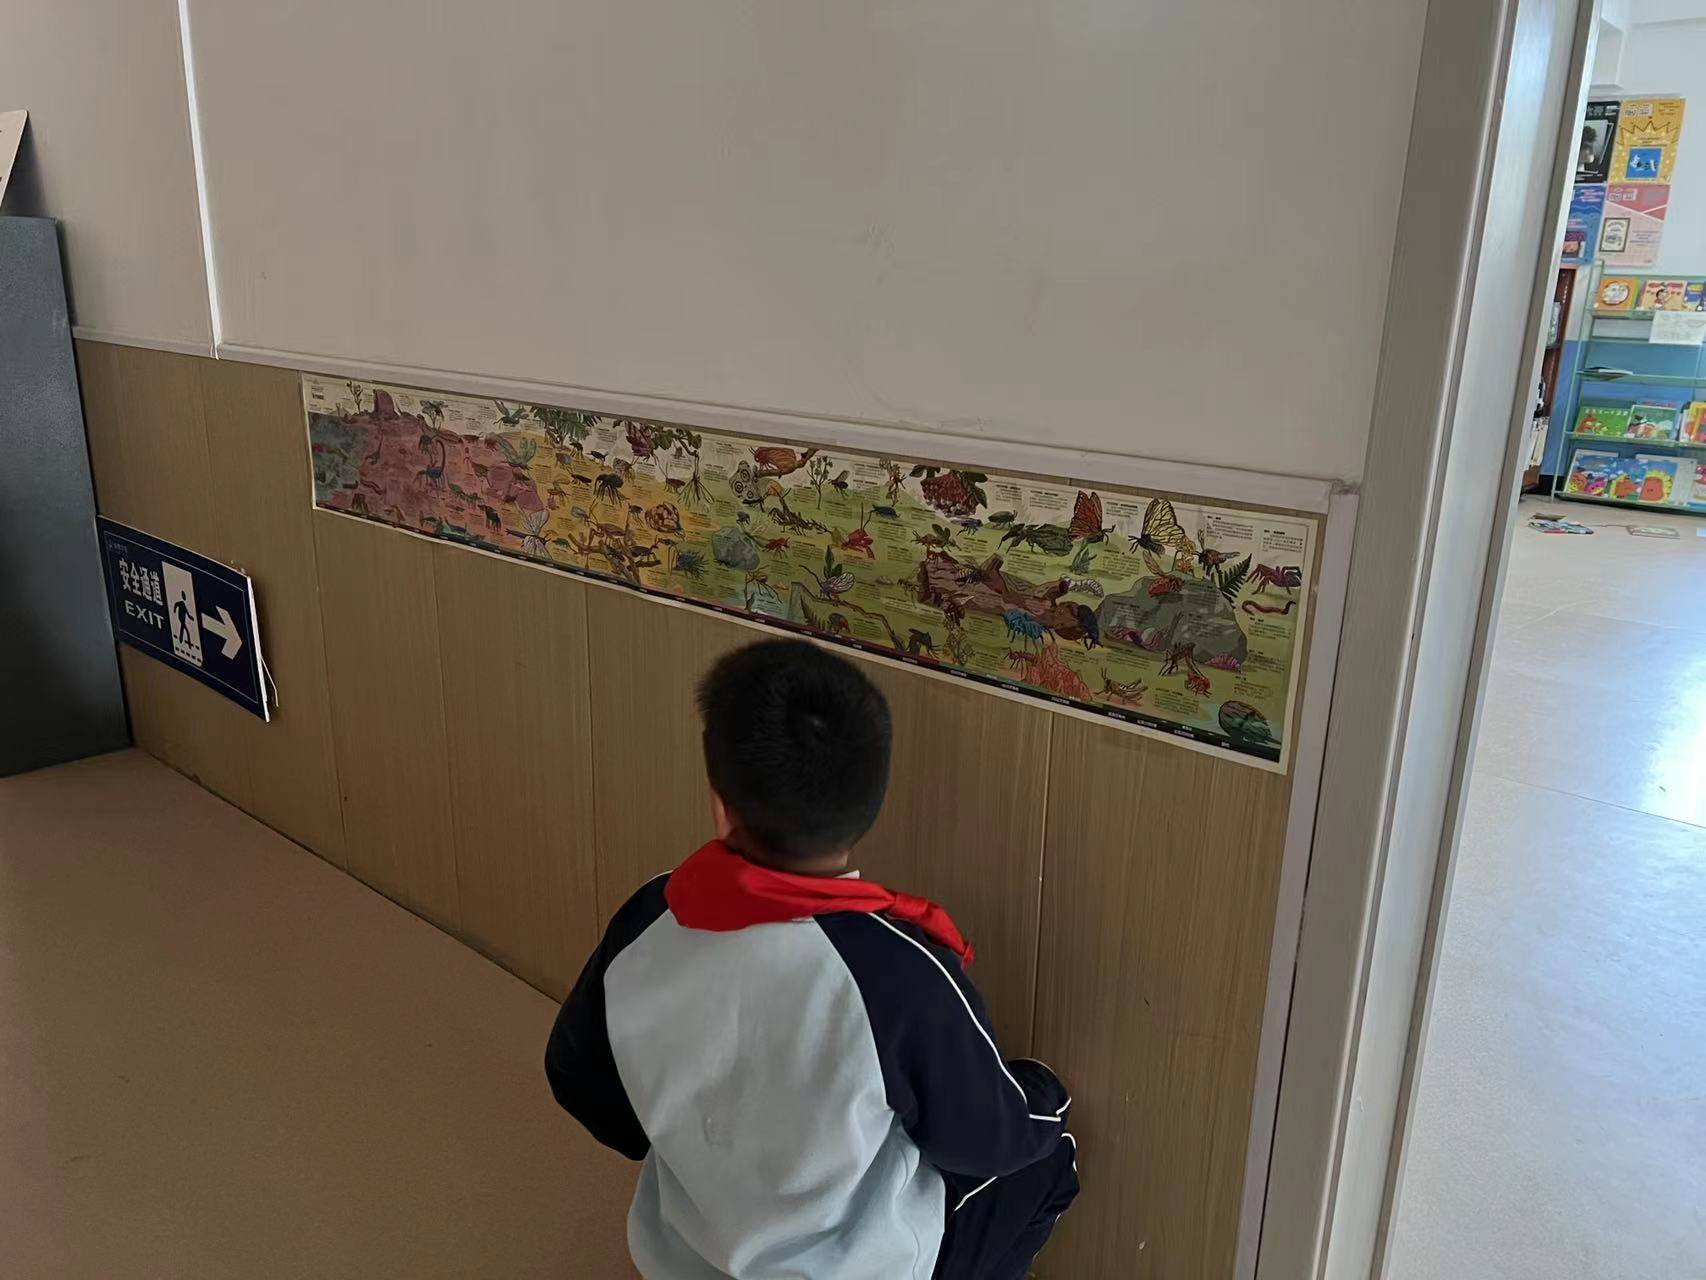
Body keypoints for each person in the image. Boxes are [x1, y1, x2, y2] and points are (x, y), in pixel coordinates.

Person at [545, 639, 1077, 1279]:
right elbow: (991, 1140)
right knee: (1051, 1160)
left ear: (721, 804)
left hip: (684, 1257)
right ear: (870, 807)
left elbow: (577, 1077)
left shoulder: (650, 914)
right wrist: (1046, 1091)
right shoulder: (898, 970)